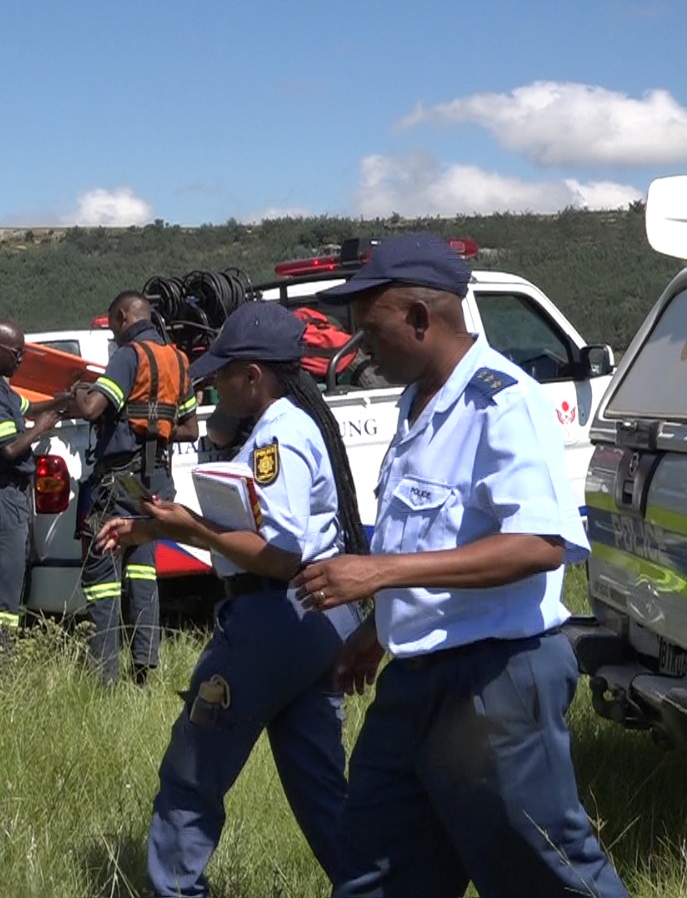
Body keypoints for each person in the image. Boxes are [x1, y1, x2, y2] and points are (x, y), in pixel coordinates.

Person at [294, 232, 628, 898]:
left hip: (496, 681)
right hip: (417, 683)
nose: (361, 349)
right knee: (378, 868)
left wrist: (379, 576)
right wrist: (376, 631)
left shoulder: (503, 402)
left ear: (421, 319)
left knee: (546, 873)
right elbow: (430, 537)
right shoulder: (416, 405)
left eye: (372, 330)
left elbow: (539, 544)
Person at [96, 301, 365, 895]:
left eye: (222, 372)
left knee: (192, 770)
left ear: (254, 376)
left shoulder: (278, 437)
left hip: (274, 616)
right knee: (322, 789)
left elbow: (280, 553)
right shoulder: (288, 425)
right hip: (313, 624)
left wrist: (190, 530)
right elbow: (249, 535)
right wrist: (161, 528)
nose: (213, 382)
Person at [70, 291, 198, 684]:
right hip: (157, 479)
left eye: (112, 323)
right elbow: (191, 429)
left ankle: (105, 676)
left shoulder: (127, 357)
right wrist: (154, 430)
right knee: (143, 572)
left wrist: (77, 391)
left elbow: (92, 409)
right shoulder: (179, 360)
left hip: (119, 481)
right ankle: (144, 668)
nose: (113, 332)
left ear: (124, 316)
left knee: (102, 571)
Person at [0, 319, 67, 647]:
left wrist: (58, 401)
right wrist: (41, 428)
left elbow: (27, 407)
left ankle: (2, 652)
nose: (21, 359)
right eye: (17, 353)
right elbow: (7, 448)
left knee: (9, 580)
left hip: (7, 497)